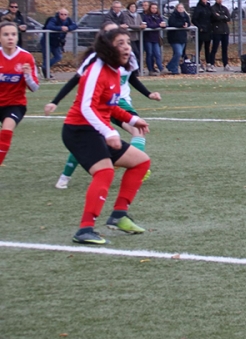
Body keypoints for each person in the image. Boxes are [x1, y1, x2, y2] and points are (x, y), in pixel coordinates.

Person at [61, 28, 151, 245]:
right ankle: (85, 229)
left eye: (128, 42)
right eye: (121, 43)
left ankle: (119, 215)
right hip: (79, 130)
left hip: (95, 129)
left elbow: (109, 106)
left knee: (141, 162)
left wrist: (132, 119)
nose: (127, 47)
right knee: (104, 172)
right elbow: (87, 107)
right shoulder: (96, 70)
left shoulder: (114, 71)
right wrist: (109, 131)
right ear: (108, 47)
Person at [50, 22, 161, 190]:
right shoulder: (95, 60)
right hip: (98, 105)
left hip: (119, 103)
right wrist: (55, 101)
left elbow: (131, 77)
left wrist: (148, 94)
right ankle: (65, 176)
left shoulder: (127, 54)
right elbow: (76, 80)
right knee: (88, 141)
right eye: (113, 35)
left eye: (124, 39)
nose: (123, 43)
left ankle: (133, 165)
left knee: (137, 131)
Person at [0, 21, 39, 173]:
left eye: (13, 34)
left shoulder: (26, 57)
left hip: (15, 104)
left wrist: (27, 76)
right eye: (6, 34)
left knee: (7, 131)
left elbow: (34, 88)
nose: (10, 38)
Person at [42, 8, 78, 78]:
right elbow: (49, 26)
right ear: (59, 14)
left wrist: (68, 28)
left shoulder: (68, 20)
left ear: (67, 15)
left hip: (56, 42)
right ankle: (46, 73)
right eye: (61, 14)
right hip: (47, 41)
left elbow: (75, 25)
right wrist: (61, 28)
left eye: (65, 14)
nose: (63, 16)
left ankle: (45, 67)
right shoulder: (54, 19)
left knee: (58, 56)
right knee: (46, 57)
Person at [142, 2, 166, 75]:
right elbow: (149, 25)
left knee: (157, 54)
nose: (154, 9)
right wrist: (158, 25)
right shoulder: (146, 16)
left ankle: (161, 68)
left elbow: (163, 24)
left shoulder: (158, 16)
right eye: (152, 8)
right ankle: (150, 69)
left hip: (155, 38)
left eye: (155, 8)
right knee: (149, 53)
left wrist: (163, 25)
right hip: (148, 38)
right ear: (150, 8)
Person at [191, 0, 213, 71]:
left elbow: (211, 17)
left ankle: (208, 64)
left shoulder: (209, 7)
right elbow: (194, 19)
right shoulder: (198, 8)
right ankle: (198, 64)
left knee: (207, 48)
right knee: (199, 47)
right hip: (201, 31)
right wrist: (199, 27)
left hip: (208, 30)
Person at [166, 3, 191, 74]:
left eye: (182, 8)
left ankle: (174, 69)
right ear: (176, 8)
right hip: (174, 37)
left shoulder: (185, 15)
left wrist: (187, 25)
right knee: (178, 53)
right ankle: (171, 66)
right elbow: (172, 23)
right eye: (179, 8)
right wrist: (182, 25)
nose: (180, 9)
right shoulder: (173, 15)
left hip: (182, 37)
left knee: (178, 54)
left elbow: (188, 22)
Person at [209, 0, 232, 71]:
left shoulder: (224, 8)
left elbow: (228, 18)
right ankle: (212, 64)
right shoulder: (213, 8)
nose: (220, 0)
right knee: (215, 48)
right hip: (217, 31)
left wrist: (221, 16)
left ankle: (226, 64)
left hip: (225, 31)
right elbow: (215, 17)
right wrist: (223, 17)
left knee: (225, 49)